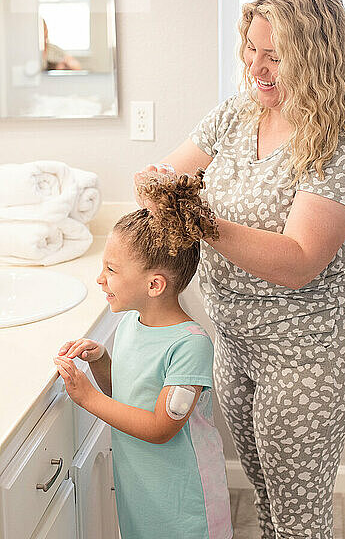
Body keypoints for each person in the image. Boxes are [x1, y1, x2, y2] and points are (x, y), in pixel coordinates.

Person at [133, 0, 345, 539]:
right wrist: (156, 185)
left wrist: (195, 218)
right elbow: (172, 171)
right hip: (240, 346)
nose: (257, 67)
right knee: (268, 503)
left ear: (318, 59)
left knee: (298, 521)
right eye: (251, 49)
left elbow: (298, 260)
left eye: (275, 56)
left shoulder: (341, 143)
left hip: (309, 354)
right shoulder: (235, 115)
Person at [53, 168, 233, 539]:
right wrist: (102, 361)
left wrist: (86, 398)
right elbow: (126, 394)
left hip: (186, 506)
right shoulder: (132, 323)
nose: (100, 278)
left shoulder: (189, 345)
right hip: (144, 494)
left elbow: (159, 428)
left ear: (154, 285)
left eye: (111, 269)